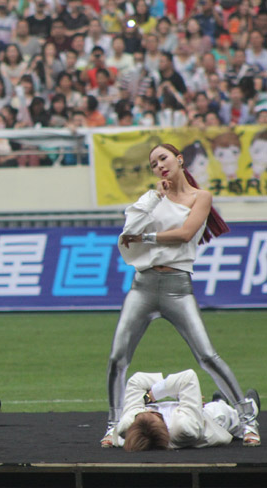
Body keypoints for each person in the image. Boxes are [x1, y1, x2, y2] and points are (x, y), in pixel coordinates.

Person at [102, 144, 260, 448]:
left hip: (177, 287)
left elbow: (186, 233)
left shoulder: (201, 197)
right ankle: (112, 425)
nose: (159, 165)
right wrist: (152, 199)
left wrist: (146, 237)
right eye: (153, 163)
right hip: (143, 286)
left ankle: (247, 418)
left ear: (179, 159)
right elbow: (127, 235)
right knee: (117, 358)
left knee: (207, 356)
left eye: (163, 158)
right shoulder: (152, 199)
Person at [112, 370, 260, 451]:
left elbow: (136, 380)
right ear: (160, 421)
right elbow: (188, 377)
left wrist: (149, 397)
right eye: (152, 412)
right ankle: (249, 407)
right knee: (223, 411)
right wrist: (186, 398)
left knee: (204, 403)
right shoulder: (183, 428)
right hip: (208, 420)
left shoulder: (129, 425)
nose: (148, 410)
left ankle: (218, 400)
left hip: (184, 408)